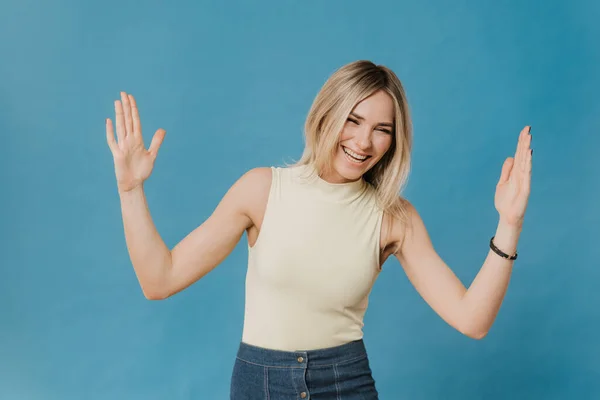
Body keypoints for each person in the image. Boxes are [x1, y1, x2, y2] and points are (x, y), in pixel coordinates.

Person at [106, 60, 533, 399]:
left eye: (381, 130)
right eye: (353, 119)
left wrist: (509, 224)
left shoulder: (394, 217)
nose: (364, 142)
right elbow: (158, 280)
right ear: (327, 113)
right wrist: (130, 189)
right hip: (262, 385)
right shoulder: (261, 189)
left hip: (346, 382)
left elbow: (471, 320)